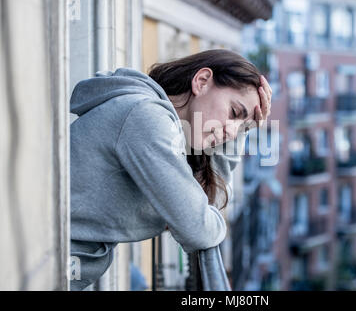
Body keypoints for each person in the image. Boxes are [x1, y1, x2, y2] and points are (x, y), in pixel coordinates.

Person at [69, 49, 272, 290]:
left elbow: (210, 202)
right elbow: (197, 228)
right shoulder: (146, 117)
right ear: (202, 81)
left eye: (240, 127)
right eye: (234, 113)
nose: (230, 131)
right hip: (39, 254)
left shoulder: (175, 134)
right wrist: (217, 224)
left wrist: (244, 130)